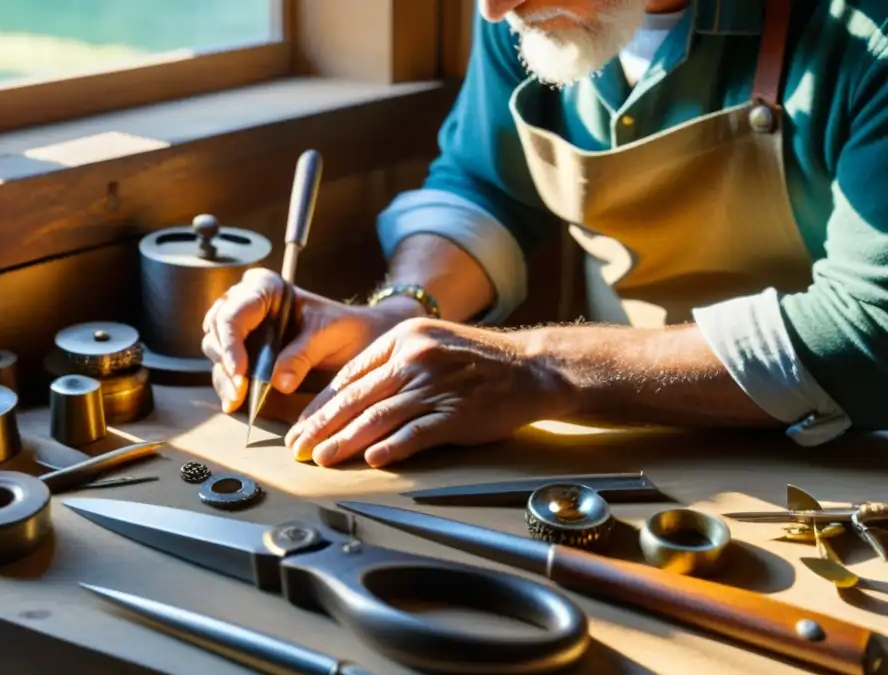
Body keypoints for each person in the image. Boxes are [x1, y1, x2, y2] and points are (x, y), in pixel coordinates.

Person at [202, 0, 888, 469]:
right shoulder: (529, 12)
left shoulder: (866, 36)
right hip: (632, 446)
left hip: (851, 463)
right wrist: (396, 313)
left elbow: (869, 330)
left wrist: (545, 367)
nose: (497, 9)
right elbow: (486, 183)